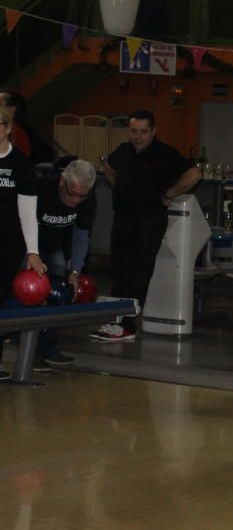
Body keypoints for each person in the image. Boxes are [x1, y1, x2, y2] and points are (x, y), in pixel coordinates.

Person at [92, 110, 201, 342]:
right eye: (134, 131)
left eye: (143, 132)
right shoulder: (124, 151)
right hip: (123, 218)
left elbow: (193, 174)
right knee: (119, 271)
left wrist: (170, 193)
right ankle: (115, 319)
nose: (138, 137)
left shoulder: (165, 154)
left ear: (153, 132)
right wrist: (118, 187)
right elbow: (109, 167)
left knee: (138, 273)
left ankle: (128, 324)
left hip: (149, 220)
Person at [36, 159, 98, 368]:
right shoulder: (41, 189)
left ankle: (49, 349)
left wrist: (75, 270)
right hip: (26, 245)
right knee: (29, 296)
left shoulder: (88, 200)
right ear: (62, 182)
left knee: (59, 294)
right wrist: (30, 254)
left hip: (54, 247)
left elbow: (81, 235)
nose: (76, 201)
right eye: (72, 194)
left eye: (82, 196)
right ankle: (28, 349)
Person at [0, 105, 45, 381]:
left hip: (7, 244)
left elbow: (28, 215)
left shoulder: (21, 165)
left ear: (7, 129)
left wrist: (33, 252)